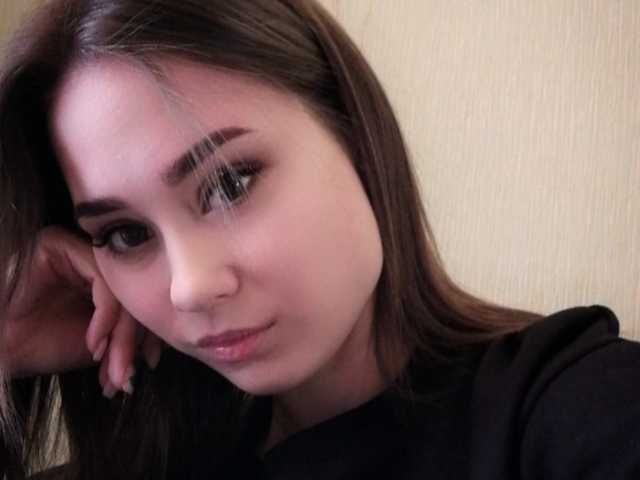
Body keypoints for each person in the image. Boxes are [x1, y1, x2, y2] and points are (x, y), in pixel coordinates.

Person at [0, 1, 638, 479]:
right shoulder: (135, 464)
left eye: (228, 184)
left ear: (354, 135)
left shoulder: (567, 406)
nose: (189, 288)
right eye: (126, 233)